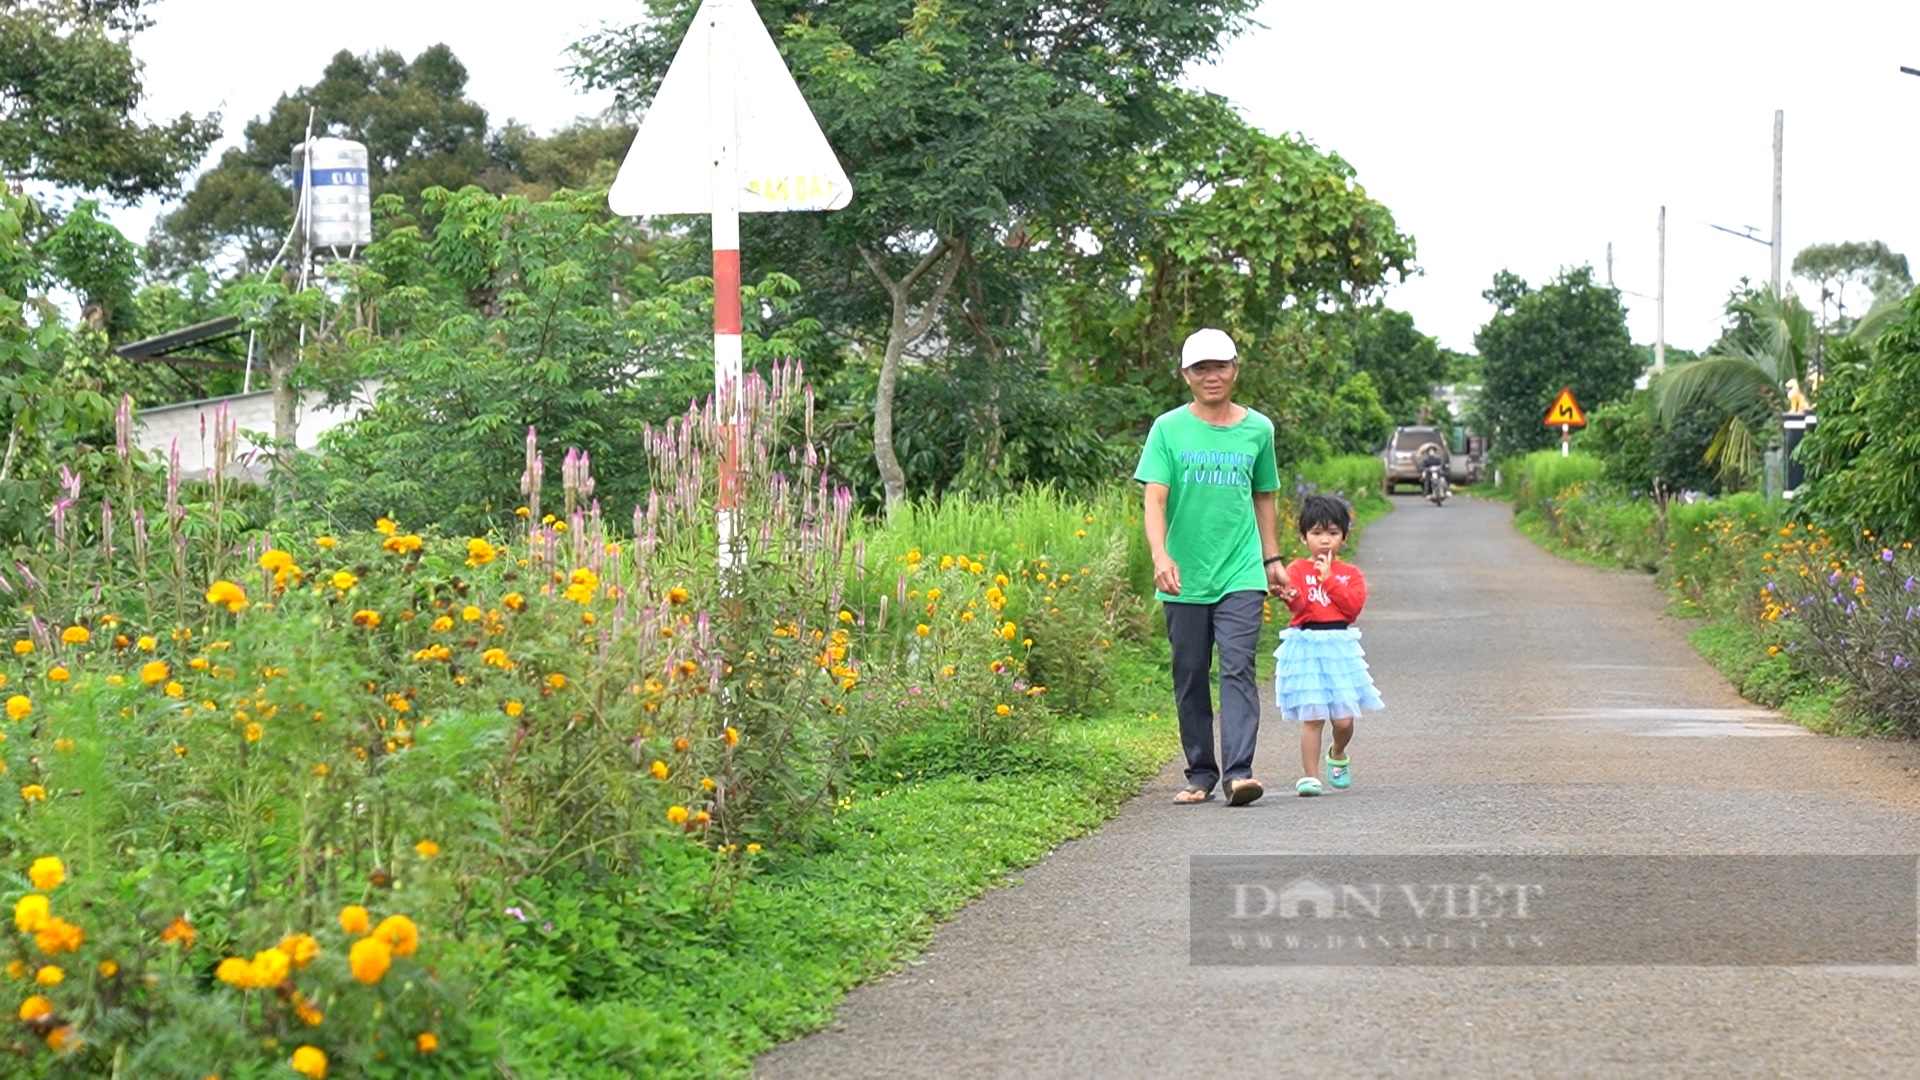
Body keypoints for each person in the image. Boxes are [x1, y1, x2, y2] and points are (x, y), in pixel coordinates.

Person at [1135, 327, 1286, 807]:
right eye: (1201, 368)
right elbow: (1154, 498)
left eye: (1220, 366)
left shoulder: (1258, 429)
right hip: (1185, 574)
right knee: (1190, 672)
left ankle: (1239, 773)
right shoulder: (1168, 429)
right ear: (1186, 376)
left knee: (1239, 667)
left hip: (1241, 570)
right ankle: (1201, 771)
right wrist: (1161, 555)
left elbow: (1264, 496)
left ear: (1235, 369)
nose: (1212, 376)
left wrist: (1272, 559)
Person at [1272, 494, 1384, 796]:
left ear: (1344, 537)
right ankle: (1310, 776)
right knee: (1313, 715)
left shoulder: (1351, 575)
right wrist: (1288, 596)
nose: (1325, 541)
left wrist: (1329, 579)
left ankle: (1337, 751)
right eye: (1317, 533)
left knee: (1344, 720)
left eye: (1333, 533)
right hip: (1308, 644)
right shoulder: (1296, 569)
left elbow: (1352, 609)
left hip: (1339, 647)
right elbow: (1300, 607)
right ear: (1303, 536)